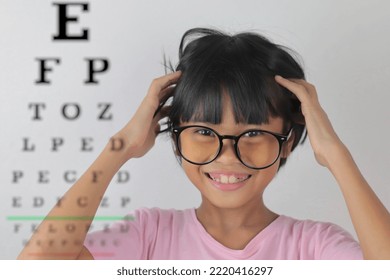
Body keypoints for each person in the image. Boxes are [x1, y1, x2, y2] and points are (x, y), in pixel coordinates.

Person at [17, 28, 390, 260]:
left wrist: (337, 156)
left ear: (287, 140)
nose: (228, 156)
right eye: (205, 132)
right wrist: (120, 146)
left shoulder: (313, 247)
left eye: (254, 133)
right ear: (175, 134)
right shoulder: (149, 235)